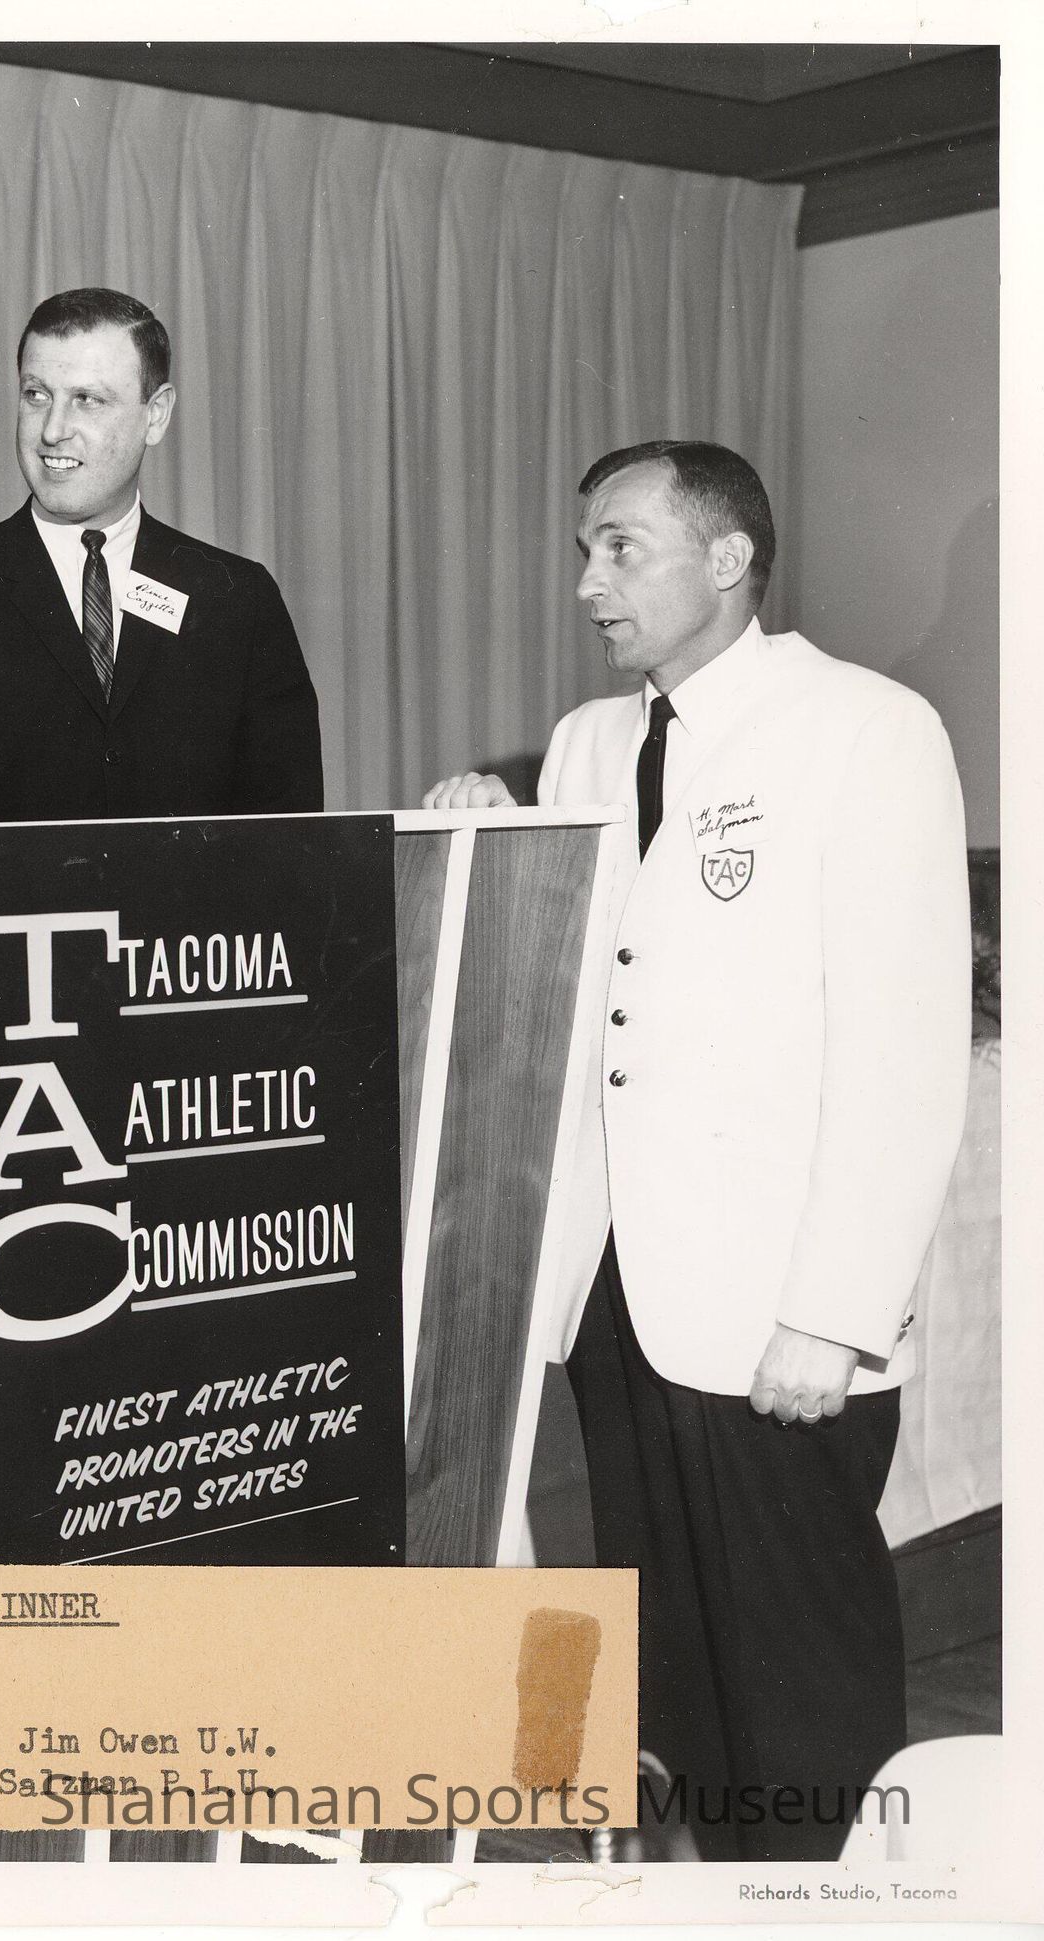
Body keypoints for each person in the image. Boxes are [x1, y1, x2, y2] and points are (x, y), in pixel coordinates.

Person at [426, 440, 970, 1859]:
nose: (588, 582)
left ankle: (831, 1904)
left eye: (622, 547)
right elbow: (581, 981)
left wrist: (834, 1314)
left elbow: (906, 1055)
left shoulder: (868, 729)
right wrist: (480, 834)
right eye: (585, 550)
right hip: (624, 1295)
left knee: (801, 1665)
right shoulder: (590, 742)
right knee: (670, 1661)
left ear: (729, 560)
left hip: (779, 1308)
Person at [0, 287, 323, 825]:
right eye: (36, 395)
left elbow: (289, 837)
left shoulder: (237, 600)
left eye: (87, 400)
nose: (52, 431)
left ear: (156, 415)